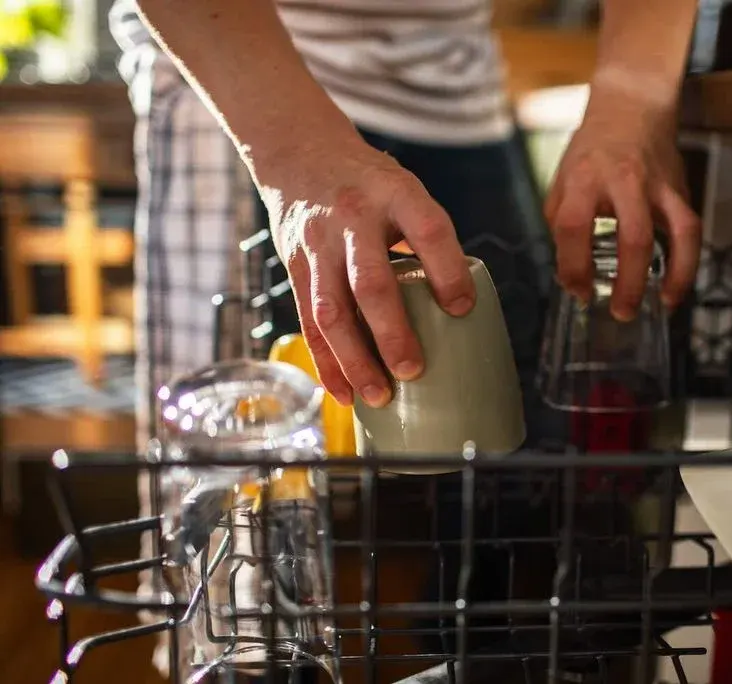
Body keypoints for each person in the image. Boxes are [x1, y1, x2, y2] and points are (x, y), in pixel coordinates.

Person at [110, 0, 701, 677]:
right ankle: (259, 666)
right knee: (247, 487)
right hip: (243, 67)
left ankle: (458, 657)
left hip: (454, 78)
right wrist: (295, 154)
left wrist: (633, 98)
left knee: (517, 476)